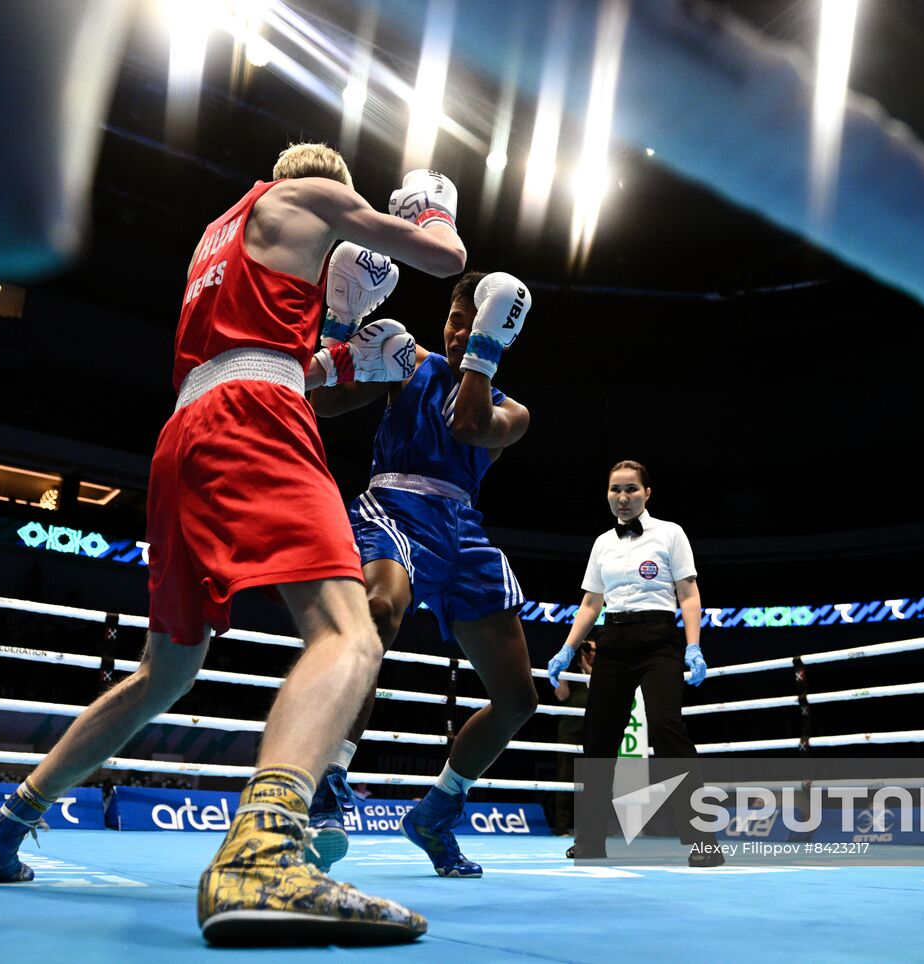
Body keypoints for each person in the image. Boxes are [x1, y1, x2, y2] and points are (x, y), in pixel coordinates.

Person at [0, 144, 466, 946]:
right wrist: (430, 207)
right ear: (326, 186)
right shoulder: (316, 196)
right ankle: (264, 852)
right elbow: (444, 258)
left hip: (185, 432)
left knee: (166, 671)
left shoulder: (220, 231)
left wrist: (339, 354)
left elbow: (261, 351)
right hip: (254, 417)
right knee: (350, 633)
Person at [306, 270, 537, 878]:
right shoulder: (406, 362)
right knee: (378, 610)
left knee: (517, 699)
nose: (461, 334)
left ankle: (436, 812)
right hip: (394, 509)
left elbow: (468, 425)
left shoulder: (513, 413)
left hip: (462, 530)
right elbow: (324, 402)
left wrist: (483, 348)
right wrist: (339, 337)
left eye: (475, 324)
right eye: (457, 321)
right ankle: (328, 780)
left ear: (499, 330)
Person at [546, 460, 722, 866]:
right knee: (598, 738)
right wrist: (567, 649)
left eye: (630, 489)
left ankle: (704, 840)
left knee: (666, 728)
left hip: (659, 639)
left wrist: (694, 646)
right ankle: (591, 840)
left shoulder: (670, 533)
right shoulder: (602, 543)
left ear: (647, 493)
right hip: (612, 640)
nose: (622, 497)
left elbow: (688, 594)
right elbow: (591, 603)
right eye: (615, 490)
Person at [552, 636, 595, 835]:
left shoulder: (603, 671)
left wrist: (588, 668)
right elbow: (561, 695)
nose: (592, 653)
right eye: (588, 649)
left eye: (595, 650)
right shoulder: (570, 671)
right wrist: (563, 671)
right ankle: (561, 827)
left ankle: (593, 828)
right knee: (565, 777)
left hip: (593, 729)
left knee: (596, 777)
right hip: (570, 729)